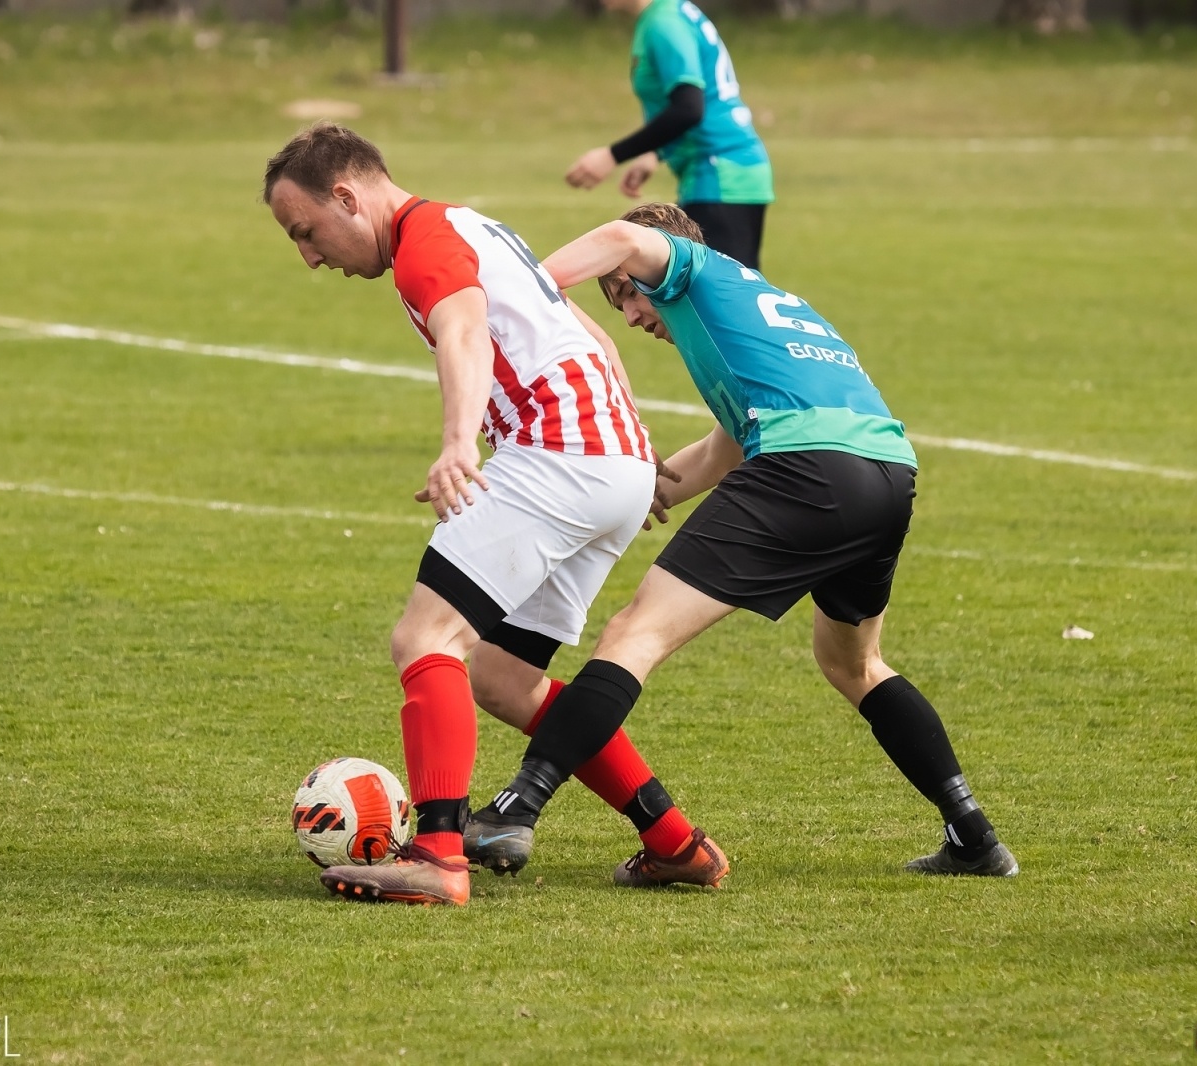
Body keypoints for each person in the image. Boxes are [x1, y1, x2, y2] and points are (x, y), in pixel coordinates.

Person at [464, 203, 1019, 886]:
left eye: (627, 293)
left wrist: (530, 295)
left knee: (634, 635)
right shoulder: (755, 306)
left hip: (808, 468)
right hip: (886, 475)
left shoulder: (691, 270)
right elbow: (726, 449)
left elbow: (621, 238)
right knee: (854, 664)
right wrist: (640, 485)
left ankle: (515, 809)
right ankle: (974, 836)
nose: (631, 316)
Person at [262, 124, 720, 906]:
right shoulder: (477, 225)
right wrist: (631, 450)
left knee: (425, 637)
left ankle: (437, 856)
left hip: (558, 452)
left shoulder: (424, 242)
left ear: (347, 197)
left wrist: (455, 444)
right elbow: (593, 338)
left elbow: (463, 330)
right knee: (505, 678)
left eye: (307, 232)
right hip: (608, 463)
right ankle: (674, 842)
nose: (310, 257)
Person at [564, 0, 773, 270]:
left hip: (720, 176)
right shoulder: (667, 13)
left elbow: (689, 108)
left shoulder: (664, 22)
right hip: (721, 174)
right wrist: (655, 153)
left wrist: (612, 156)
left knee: (722, 303)